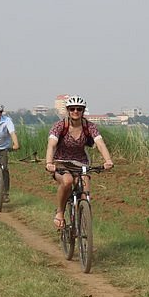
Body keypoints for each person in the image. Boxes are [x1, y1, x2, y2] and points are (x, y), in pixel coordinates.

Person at [44, 95, 113, 229]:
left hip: (81, 163)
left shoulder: (89, 126)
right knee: (68, 181)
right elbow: (51, 145)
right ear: (68, 110)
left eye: (79, 109)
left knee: (85, 191)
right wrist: (49, 163)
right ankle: (60, 212)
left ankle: (82, 219)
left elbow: (100, 143)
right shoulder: (60, 126)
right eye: (72, 109)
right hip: (61, 162)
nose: (76, 111)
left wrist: (108, 160)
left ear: (83, 111)